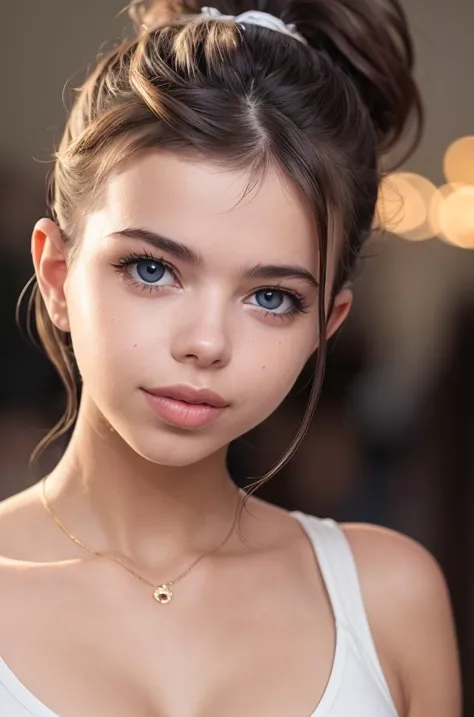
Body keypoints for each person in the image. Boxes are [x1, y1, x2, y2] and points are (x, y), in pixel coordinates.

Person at [0, 1, 461, 715]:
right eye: (152, 269)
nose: (206, 343)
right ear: (57, 275)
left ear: (325, 324)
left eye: (271, 297)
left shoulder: (388, 599)